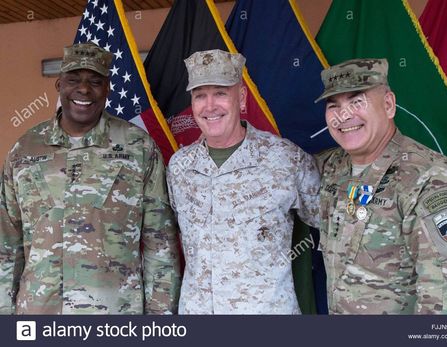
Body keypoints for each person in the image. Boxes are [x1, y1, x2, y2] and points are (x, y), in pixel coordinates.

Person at [0, 42, 181, 314]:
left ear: (107, 89)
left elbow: (160, 245)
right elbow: (7, 243)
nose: (83, 89)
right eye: (73, 79)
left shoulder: (138, 147)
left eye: (95, 81)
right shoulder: (25, 149)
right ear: (59, 85)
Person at [166, 49, 320, 314]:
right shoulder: (180, 167)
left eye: (221, 93)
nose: (210, 105)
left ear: (241, 98)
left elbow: (335, 224)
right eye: (200, 95)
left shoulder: (285, 159)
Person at [314, 58, 447, 314]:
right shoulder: (335, 168)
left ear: (388, 105)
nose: (344, 115)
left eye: (357, 102)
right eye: (334, 106)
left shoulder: (431, 180)